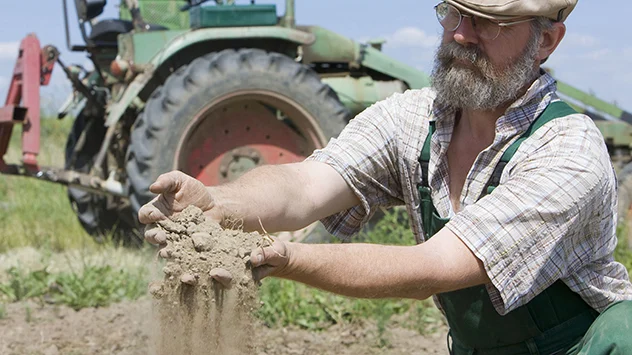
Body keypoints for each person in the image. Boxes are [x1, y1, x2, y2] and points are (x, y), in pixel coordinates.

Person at [139, 0, 632, 353]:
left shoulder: (567, 152)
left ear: (545, 39)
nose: (461, 33)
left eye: (489, 22)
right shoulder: (412, 119)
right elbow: (307, 185)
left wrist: (285, 257)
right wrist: (219, 206)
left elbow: (430, 269)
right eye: (455, 12)